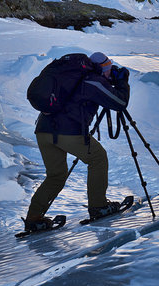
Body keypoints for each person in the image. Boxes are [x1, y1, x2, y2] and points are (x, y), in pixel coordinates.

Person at [23, 52, 130, 231]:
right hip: (68, 132)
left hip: (43, 131)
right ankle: (99, 207)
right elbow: (119, 102)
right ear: (101, 68)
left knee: (56, 175)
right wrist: (121, 82)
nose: (109, 72)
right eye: (108, 68)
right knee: (97, 158)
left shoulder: (72, 76)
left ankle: (34, 217)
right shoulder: (93, 81)